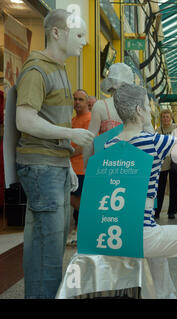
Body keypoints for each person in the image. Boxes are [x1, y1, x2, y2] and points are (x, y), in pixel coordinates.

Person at [104, 83, 177, 299]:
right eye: (147, 105)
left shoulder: (109, 144)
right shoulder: (153, 141)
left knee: (159, 255)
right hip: (141, 234)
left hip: (115, 232)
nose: (151, 110)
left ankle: (163, 296)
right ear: (138, 110)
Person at [15, 9, 94, 298]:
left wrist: (66, 161)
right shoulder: (37, 70)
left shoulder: (59, 69)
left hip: (54, 166)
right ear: (58, 33)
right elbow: (24, 120)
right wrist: (70, 135)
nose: (84, 42)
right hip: (40, 168)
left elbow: (52, 118)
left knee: (50, 242)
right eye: (79, 35)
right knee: (47, 247)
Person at [82, 63, 138, 168]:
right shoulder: (137, 107)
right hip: (131, 165)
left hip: (106, 165)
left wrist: (87, 166)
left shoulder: (100, 106)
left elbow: (89, 140)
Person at [67, 89, 92, 245]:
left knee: (79, 202)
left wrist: (67, 155)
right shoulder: (73, 120)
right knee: (74, 201)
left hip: (82, 168)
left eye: (80, 99)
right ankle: (80, 230)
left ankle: (85, 229)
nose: (77, 102)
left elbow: (86, 144)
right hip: (72, 168)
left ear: (87, 102)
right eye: (75, 99)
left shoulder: (89, 119)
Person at [155, 109, 177, 219]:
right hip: (162, 163)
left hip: (175, 162)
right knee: (160, 188)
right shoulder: (158, 131)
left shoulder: (176, 128)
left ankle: (172, 211)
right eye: (163, 117)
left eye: (167, 116)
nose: (165, 119)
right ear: (161, 118)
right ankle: (157, 212)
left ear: (171, 118)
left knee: (174, 187)